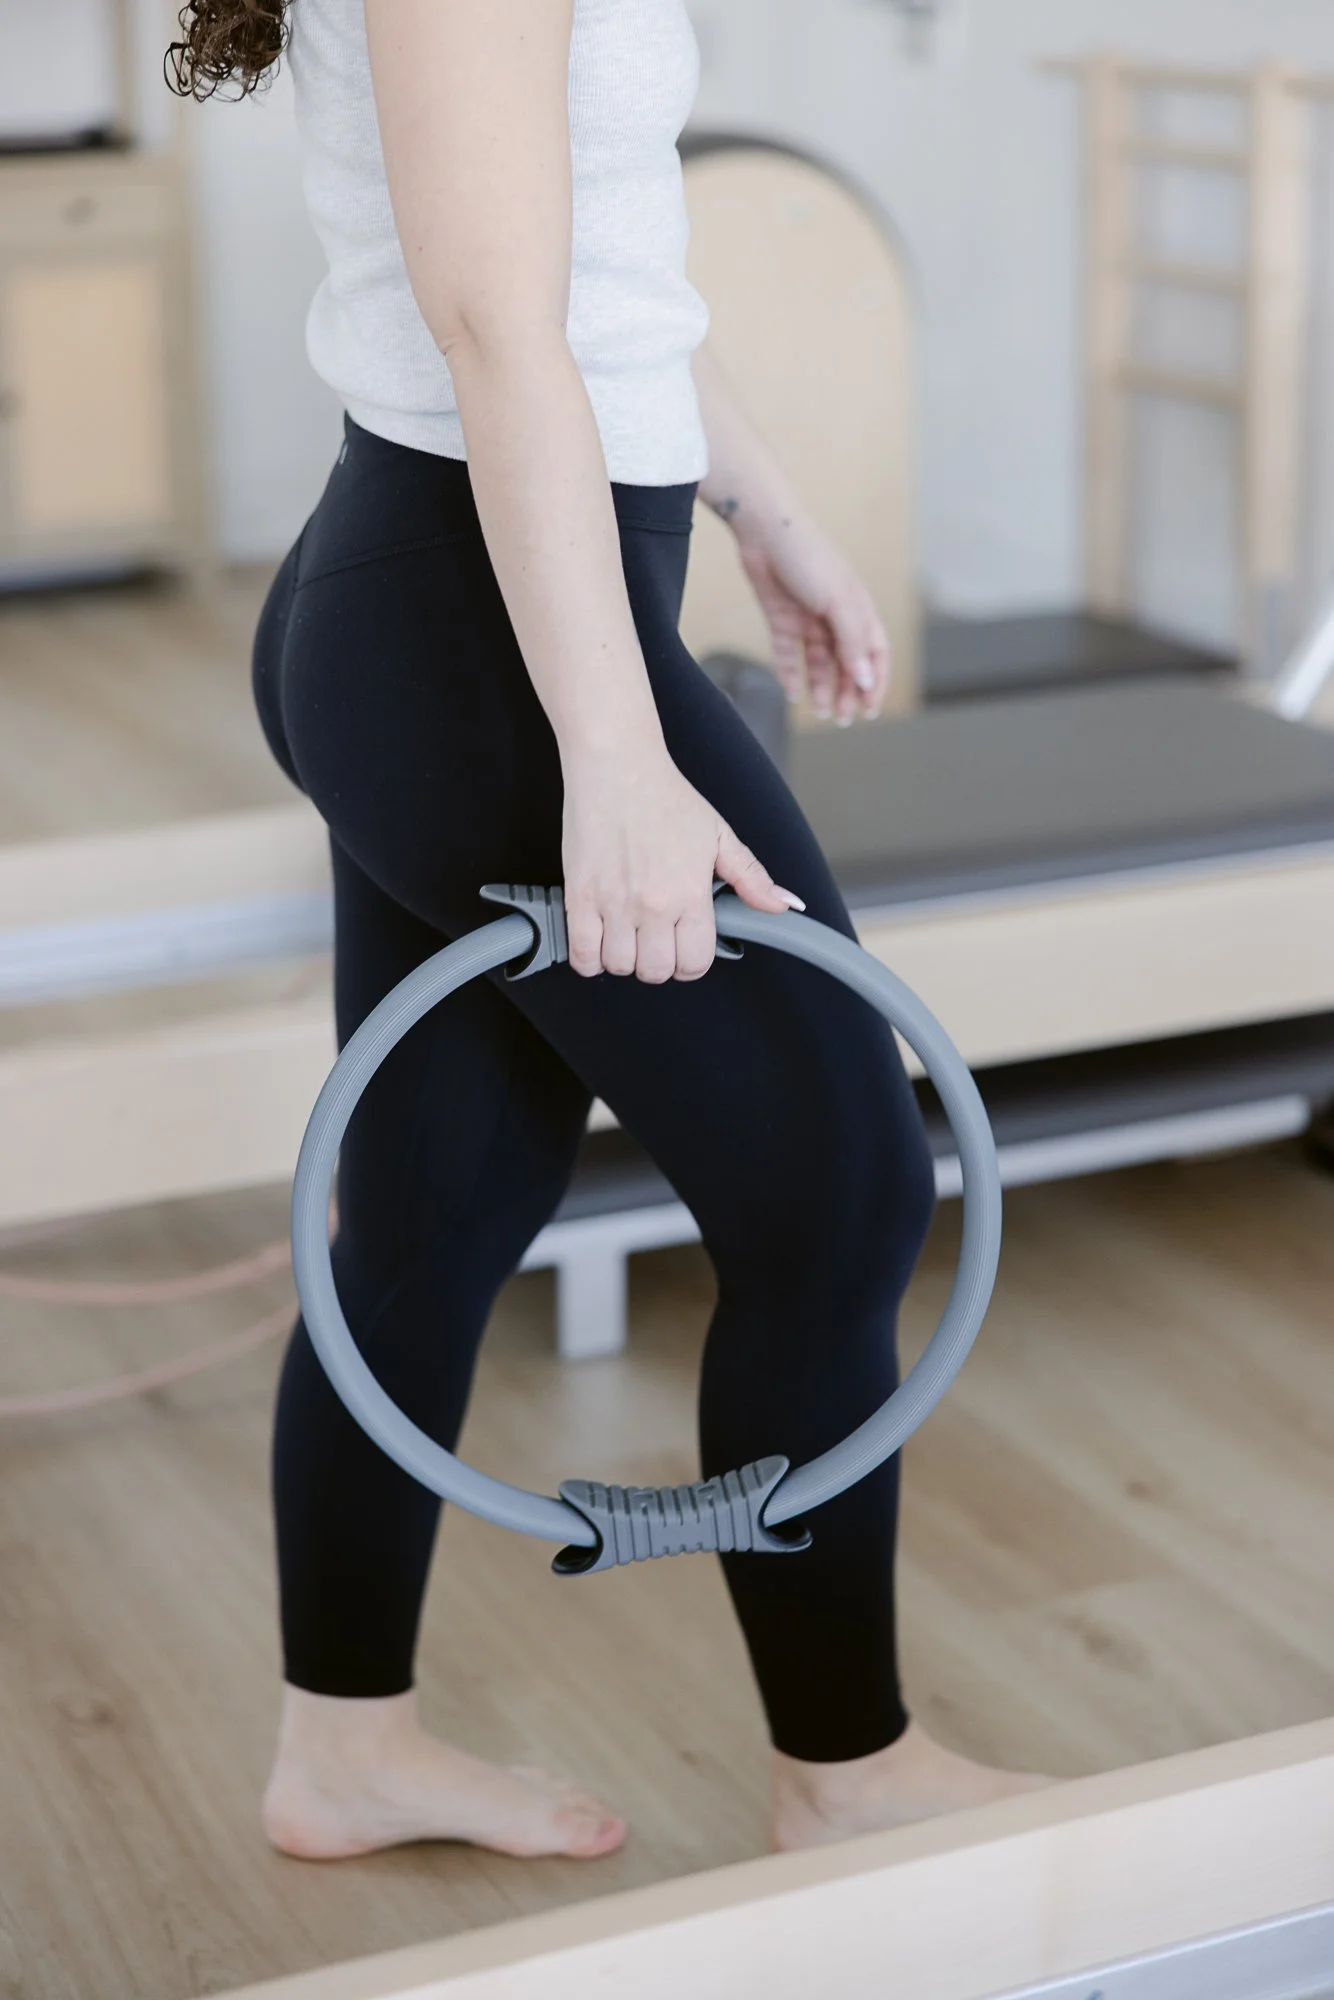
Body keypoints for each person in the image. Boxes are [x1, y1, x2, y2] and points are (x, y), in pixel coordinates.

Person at [168, 0, 1043, 1863]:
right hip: (471, 625)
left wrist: (762, 503)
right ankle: (851, 1770)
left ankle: (343, 1748)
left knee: (425, 1212)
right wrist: (616, 756)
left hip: (448, 599)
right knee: (841, 1186)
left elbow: (590, 252)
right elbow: (493, 323)